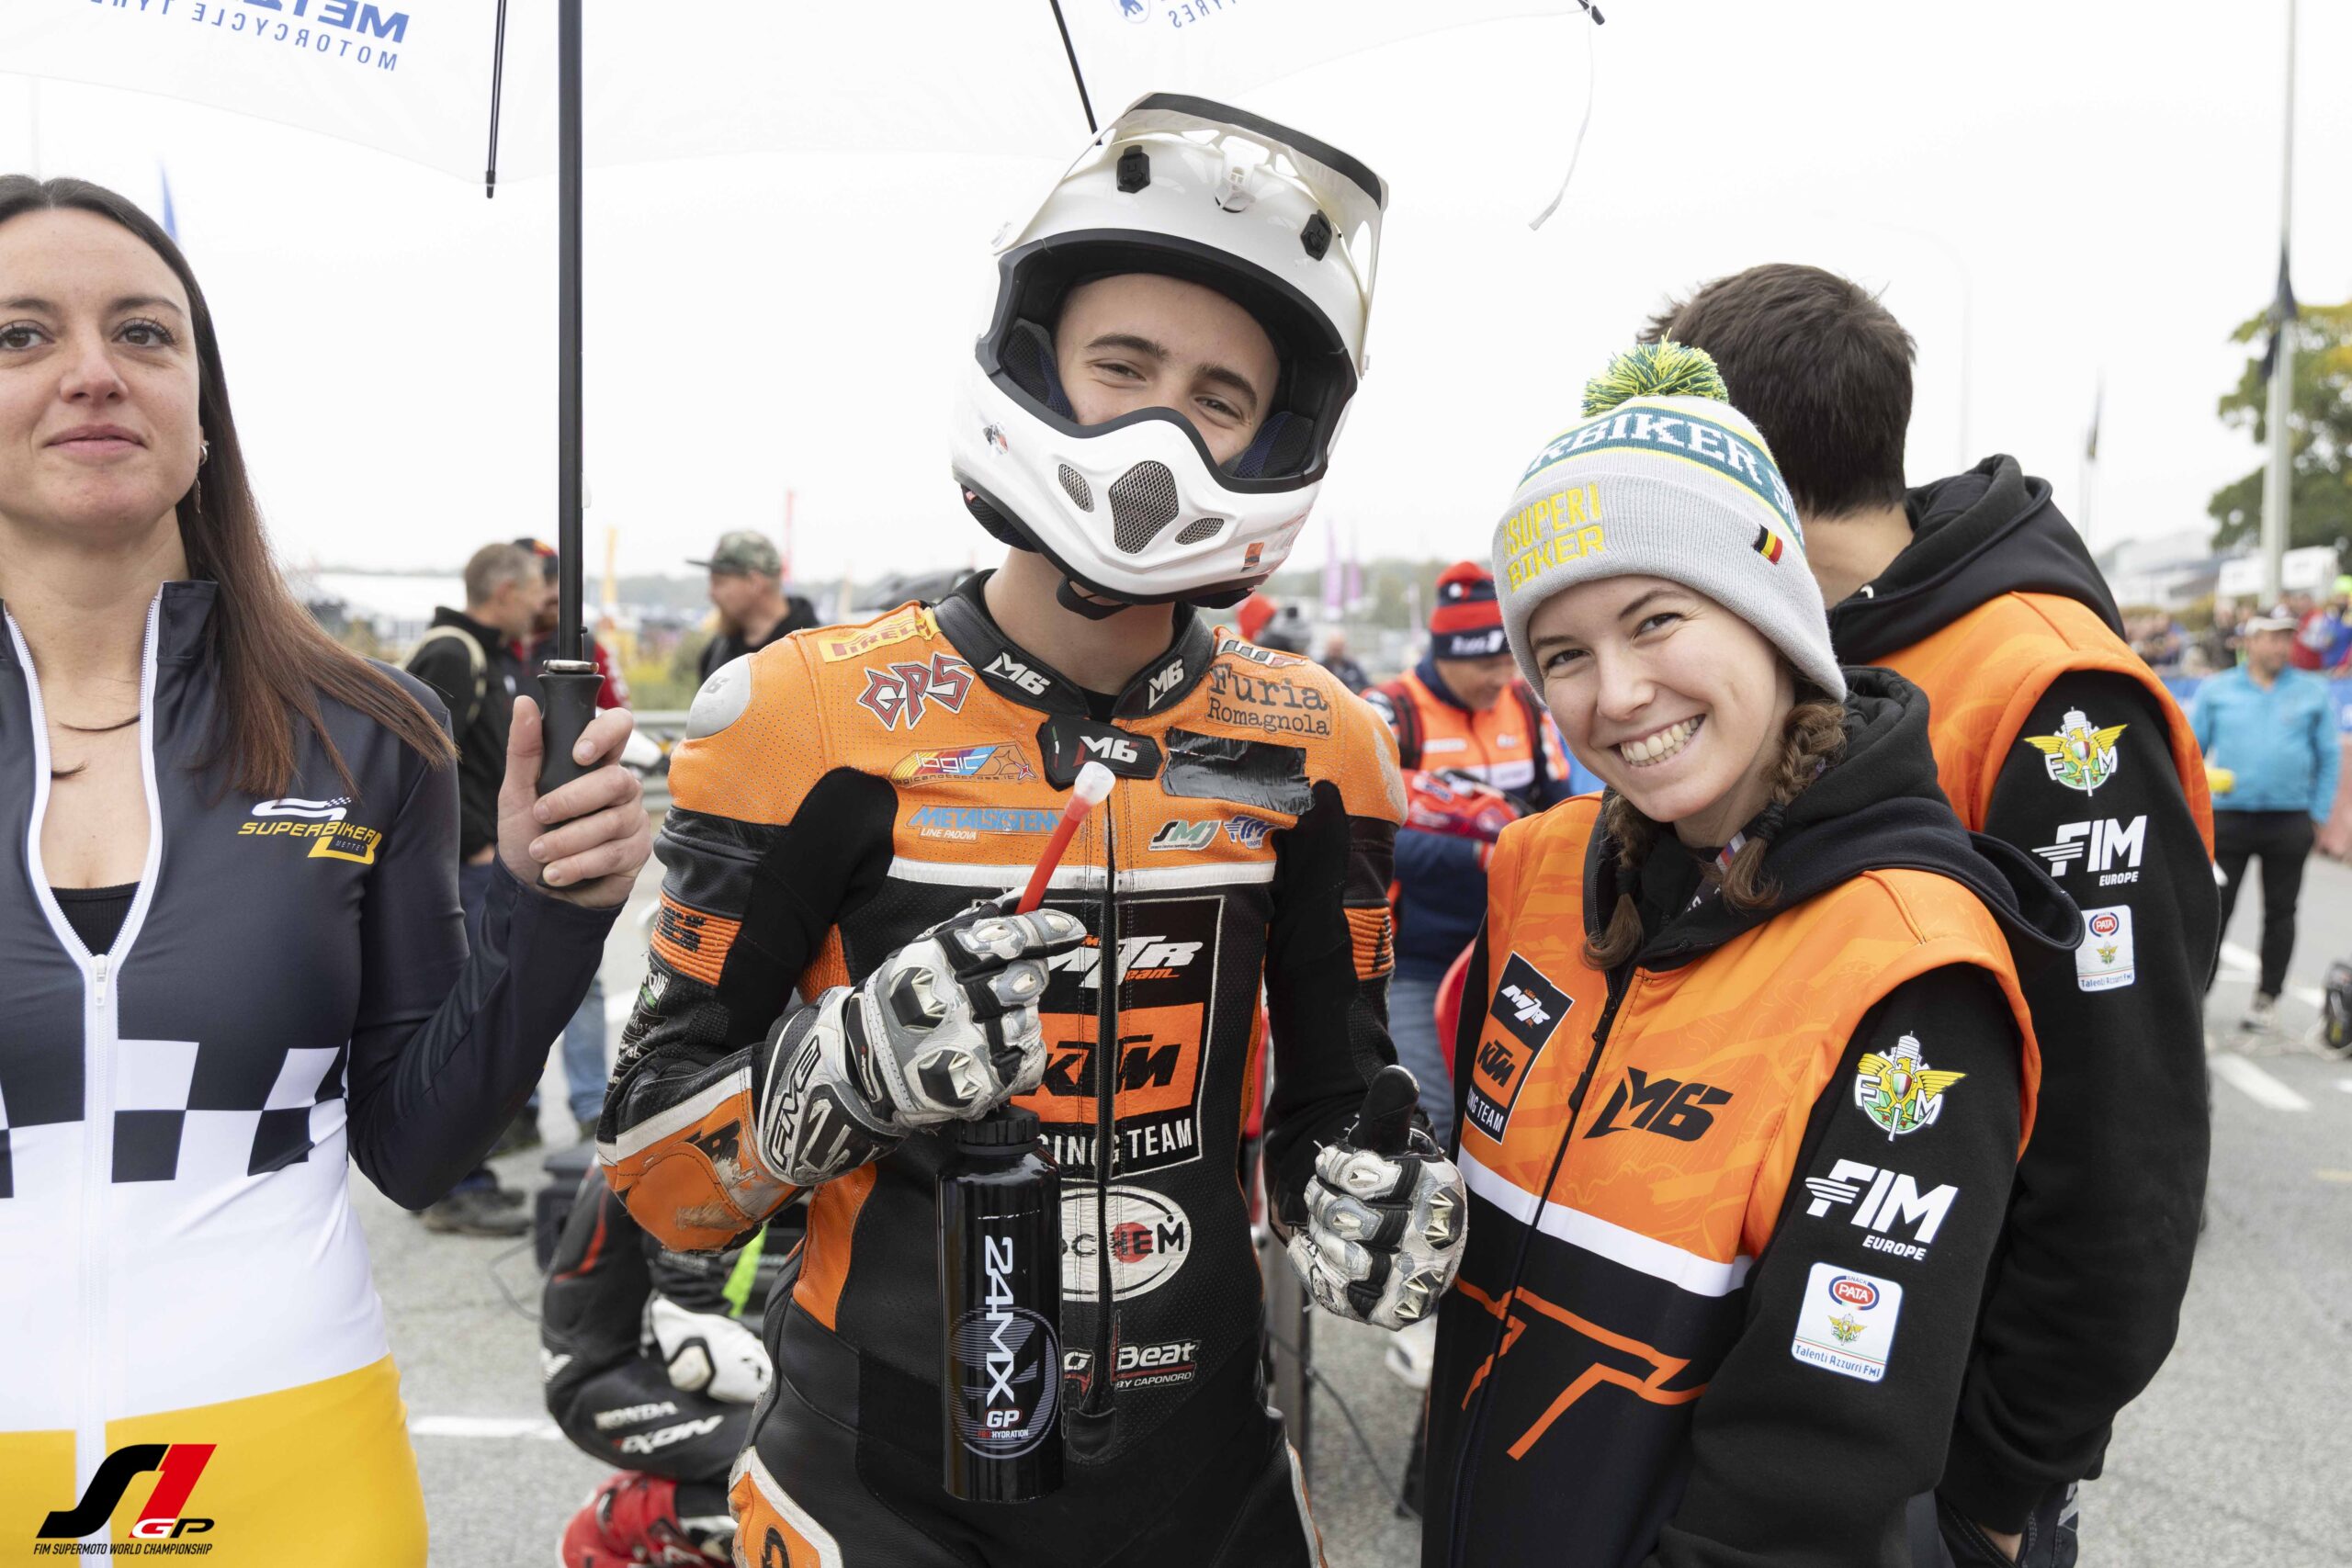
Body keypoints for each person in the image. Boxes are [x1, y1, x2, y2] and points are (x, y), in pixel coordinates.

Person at [599, 96, 1465, 1566]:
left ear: (1277, 439)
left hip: (1209, 1473)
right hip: (877, 1476)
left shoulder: (1327, 742)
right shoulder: (801, 714)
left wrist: (1374, 1204)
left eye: (1218, 395)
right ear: (1033, 363)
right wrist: (846, 1070)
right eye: (1122, 365)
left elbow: (1337, 1102)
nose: (1157, 427)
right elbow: (658, 1176)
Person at [0, 175, 651, 1559]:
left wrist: (543, 912)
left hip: (287, 1452)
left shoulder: (365, 729)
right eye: (20, 336)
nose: (94, 372)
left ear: (204, 409)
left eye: (144, 332)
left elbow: (416, 1146)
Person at [1424, 344, 2072, 1568]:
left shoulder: (1908, 959)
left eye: (1656, 619)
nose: (1617, 693)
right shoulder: (1540, 868)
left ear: (1772, 612)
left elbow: (1819, 1461)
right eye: (1562, 653)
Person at [1657, 264, 2217, 1567]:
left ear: (1753, 472)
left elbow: (2123, 1135)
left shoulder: (2044, 690)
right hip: (1764, 1403)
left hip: (1934, 1458)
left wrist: (1997, 1482)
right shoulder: (1796, 645)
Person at [1362, 561, 1586, 1145]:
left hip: (1519, 950)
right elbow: (1367, 844)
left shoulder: (1526, 708)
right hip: (1416, 958)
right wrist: (1486, 856)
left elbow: (1560, 809)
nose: (1501, 676)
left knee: (1513, 1115)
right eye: (1486, 663)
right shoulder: (1387, 715)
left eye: (1508, 660)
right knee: (1431, 1112)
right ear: (1446, 654)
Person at [404, 540, 553, 1234]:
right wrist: (472, 843)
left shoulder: (490, 656)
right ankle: (452, 1186)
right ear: (503, 590)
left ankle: (464, 1175)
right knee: (462, 1024)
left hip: (480, 867)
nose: (543, 602)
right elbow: (418, 760)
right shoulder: (453, 654)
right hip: (461, 871)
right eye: (535, 588)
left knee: (483, 1021)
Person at [544, 1169, 788, 1567]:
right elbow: (697, 1353)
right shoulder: (698, 1155)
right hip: (606, 1382)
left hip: (657, 1364)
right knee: (805, 1456)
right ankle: (617, 1524)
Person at [514, 536, 632, 1140]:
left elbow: (619, 720)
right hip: (502, 841)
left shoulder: (587, 652)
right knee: (504, 979)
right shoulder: (494, 645)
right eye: (534, 583)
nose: (543, 596)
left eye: (549, 583)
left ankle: (589, 1106)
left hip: (574, 831)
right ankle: (516, 1108)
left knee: (580, 980)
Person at [2191, 605, 2340, 1030]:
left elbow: (2328, 757)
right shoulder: (2217, 690)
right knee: (2215, 910)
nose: (2281, 646)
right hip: (2228, 819)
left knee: (2281, 912)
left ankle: (2266, 997)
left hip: (2289, 820)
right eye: (2272, 637)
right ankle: (2198, 995)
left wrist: (2317, 814)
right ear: (2250, 641)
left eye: (2286, 638)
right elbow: (2190, 753)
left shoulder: (2311, 691)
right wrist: (2191, 814)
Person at [690, 529, 815, 684]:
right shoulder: (716, 652)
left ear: (754, 582)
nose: (711, 594)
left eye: (719, 583)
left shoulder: (814, 651)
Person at [1317, 627, 1372, 694]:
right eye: (1333, 646)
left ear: (1344, 647)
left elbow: (1368, 687)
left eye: (1339, 646)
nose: (1336, 648)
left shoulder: (1353, 666)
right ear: (1327, 646)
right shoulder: (1319, 668)